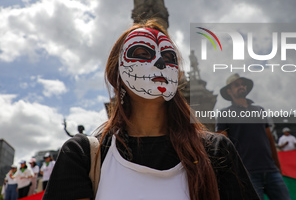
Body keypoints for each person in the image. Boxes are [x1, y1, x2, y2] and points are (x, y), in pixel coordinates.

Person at [43, 20, 259, 200]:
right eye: (142, 54)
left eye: (168, 57)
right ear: (117, 72)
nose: (160, 64)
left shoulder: (216, 151)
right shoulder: (82, 155)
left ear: (178, 74)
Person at [216, 73, 291, 200]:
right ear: (229, 91)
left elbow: (269, 139)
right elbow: (221, 146)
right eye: (236, 85)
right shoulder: (224, 114)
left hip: (271, 170)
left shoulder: (259, 110)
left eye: (243, 84)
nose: (241, 86)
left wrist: (278, 167)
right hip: (246, 173)